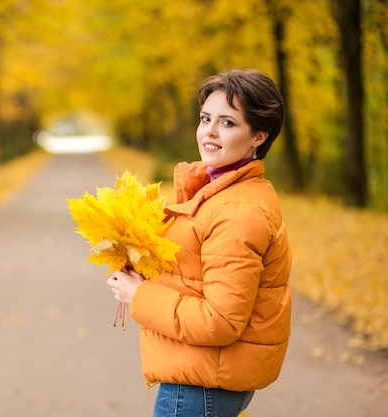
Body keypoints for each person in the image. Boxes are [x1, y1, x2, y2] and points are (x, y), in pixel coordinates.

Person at [107, 69, 292, 417]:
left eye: (227, 123)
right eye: (206, 118)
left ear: (259, 136)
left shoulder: (238, 209)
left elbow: (220, 319)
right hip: (202, 375)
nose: (209, 131)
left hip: (200, 387)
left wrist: (140, 295)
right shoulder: (217, 192)